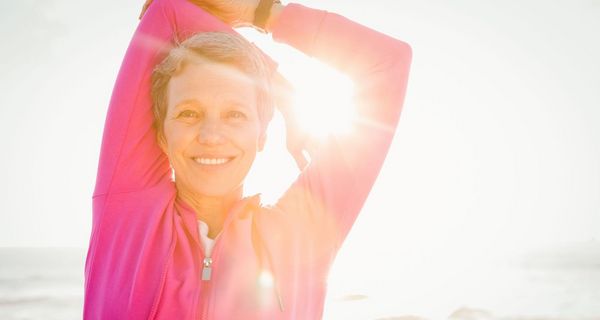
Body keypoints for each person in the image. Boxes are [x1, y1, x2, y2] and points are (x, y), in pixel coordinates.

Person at [84, 0, 412, 318]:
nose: (211, 135)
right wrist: (279, 87)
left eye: (235, 115)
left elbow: (387, 63)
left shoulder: (302, 234)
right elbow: (165, 13)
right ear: (160, 135)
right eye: (188, 113)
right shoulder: (127, 217)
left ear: (262, 135)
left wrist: (263, 13)